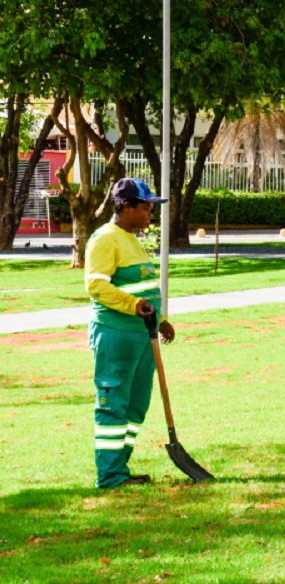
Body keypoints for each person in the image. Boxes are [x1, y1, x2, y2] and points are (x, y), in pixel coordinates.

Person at [86, 178, 175, 488]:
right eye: (145, 208)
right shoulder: (104, 239)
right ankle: (109, 476)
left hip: (143, 335)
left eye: (152, 209)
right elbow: (96, 285)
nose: (151, 214)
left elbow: (141, 287)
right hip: (116, 334)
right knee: (114, 403)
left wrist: (160, 319)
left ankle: (120, 469)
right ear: (124, 207)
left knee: (136, 404)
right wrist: (132, 304)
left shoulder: (130, 238)